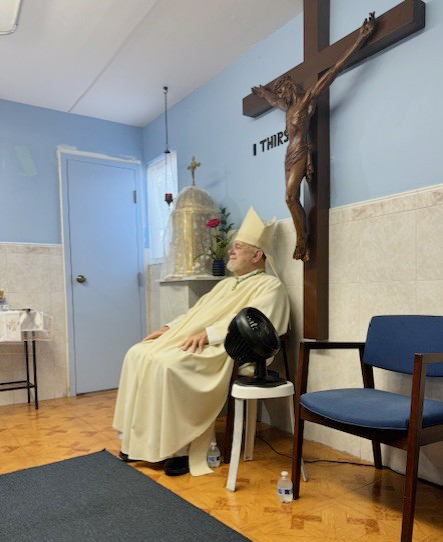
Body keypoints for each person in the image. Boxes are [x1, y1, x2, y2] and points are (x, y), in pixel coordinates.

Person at [113, 207, 289, 476]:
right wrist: (168, 327)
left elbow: (258, 325)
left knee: (168, 364)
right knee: (138, 353)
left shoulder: (269, 286)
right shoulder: (225, 284)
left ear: (257, 255)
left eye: (238, 247)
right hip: (201, 340)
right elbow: (195, 313)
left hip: (227, 349)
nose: (231, 251)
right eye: (232, 246)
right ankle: (137, 442)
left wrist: (209, 335)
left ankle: (180, 449)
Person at [252, 13, 375, 262]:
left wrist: (361, 38)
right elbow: (273, 100)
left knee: (289, 197)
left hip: (301, 152)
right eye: (280, 92)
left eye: (283, 89)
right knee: (290, 198)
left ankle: (302, 239)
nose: (282, 95)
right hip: (288, 156)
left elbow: (336, 69)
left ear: (292, 86)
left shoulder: (308, 99)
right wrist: (264, 93)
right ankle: (303, 235)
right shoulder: (288, 108)